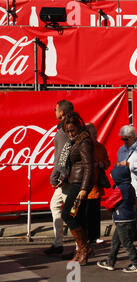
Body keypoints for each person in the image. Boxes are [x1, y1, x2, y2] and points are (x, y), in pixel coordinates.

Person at [60, 112, 94, 265]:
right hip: (75, 182)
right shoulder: (76, 141)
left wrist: (84, 189)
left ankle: (84, 248)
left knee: (68, 214)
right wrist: (64, 179)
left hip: (79, 185)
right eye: (67, 131)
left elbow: (88, 166)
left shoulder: (84, 141)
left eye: (72, 130)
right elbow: (75, 164)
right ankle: (82, 250)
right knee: (76, 216)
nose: (70, 133)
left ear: (78, 127)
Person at [97, 165, 137, 273]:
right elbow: (134, 202)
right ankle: (110, 262)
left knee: (127, 243)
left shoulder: (120, 189)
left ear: (119, 177)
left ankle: (136, 264)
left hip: (122, 220)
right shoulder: (130, 187)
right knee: (116, 242)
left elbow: (108, 204)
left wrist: (114, 208)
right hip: (128, 218)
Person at [44, 100, 73, 256]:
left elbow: (62, 156)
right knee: (56, 205)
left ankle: (79, 247)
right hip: (68, 177)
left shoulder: (63, 131)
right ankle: (58, 243)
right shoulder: (71, 128)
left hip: (67, 179)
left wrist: (55, 176)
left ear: (61, 112)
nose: (54, 111)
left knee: (72, 213)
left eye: (55, 109)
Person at [116, 125, 137, 245]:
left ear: (132, 137)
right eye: (122, 139)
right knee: (128, 210)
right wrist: (119, 166)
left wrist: (129, 165)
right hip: (126, 185)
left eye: (126, 139)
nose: (124, 141)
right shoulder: (121, 150)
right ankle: (132, 235)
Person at [85, 123, 111, 245]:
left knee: (95, 213)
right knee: (85, 213)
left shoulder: (100, 147)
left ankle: (95, 236)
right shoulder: (83, 147)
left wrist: (101, 164)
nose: (95, 135)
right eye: (92, 133)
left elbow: (107, 161)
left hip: (96, 186)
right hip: (84, 186)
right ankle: (85, 237)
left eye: (96, 133)